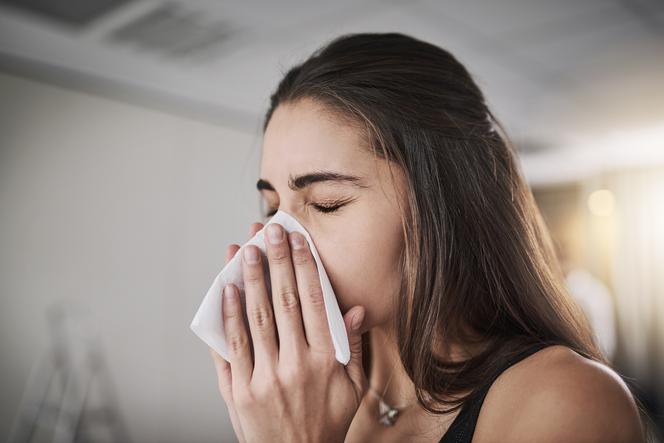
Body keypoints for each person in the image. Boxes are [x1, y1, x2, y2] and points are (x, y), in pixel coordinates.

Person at [208, 32, 646, 442]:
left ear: (442, 204)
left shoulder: (564, 401)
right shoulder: (306, 390)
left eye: (327, 203)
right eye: (272, 208)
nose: (275, 243)